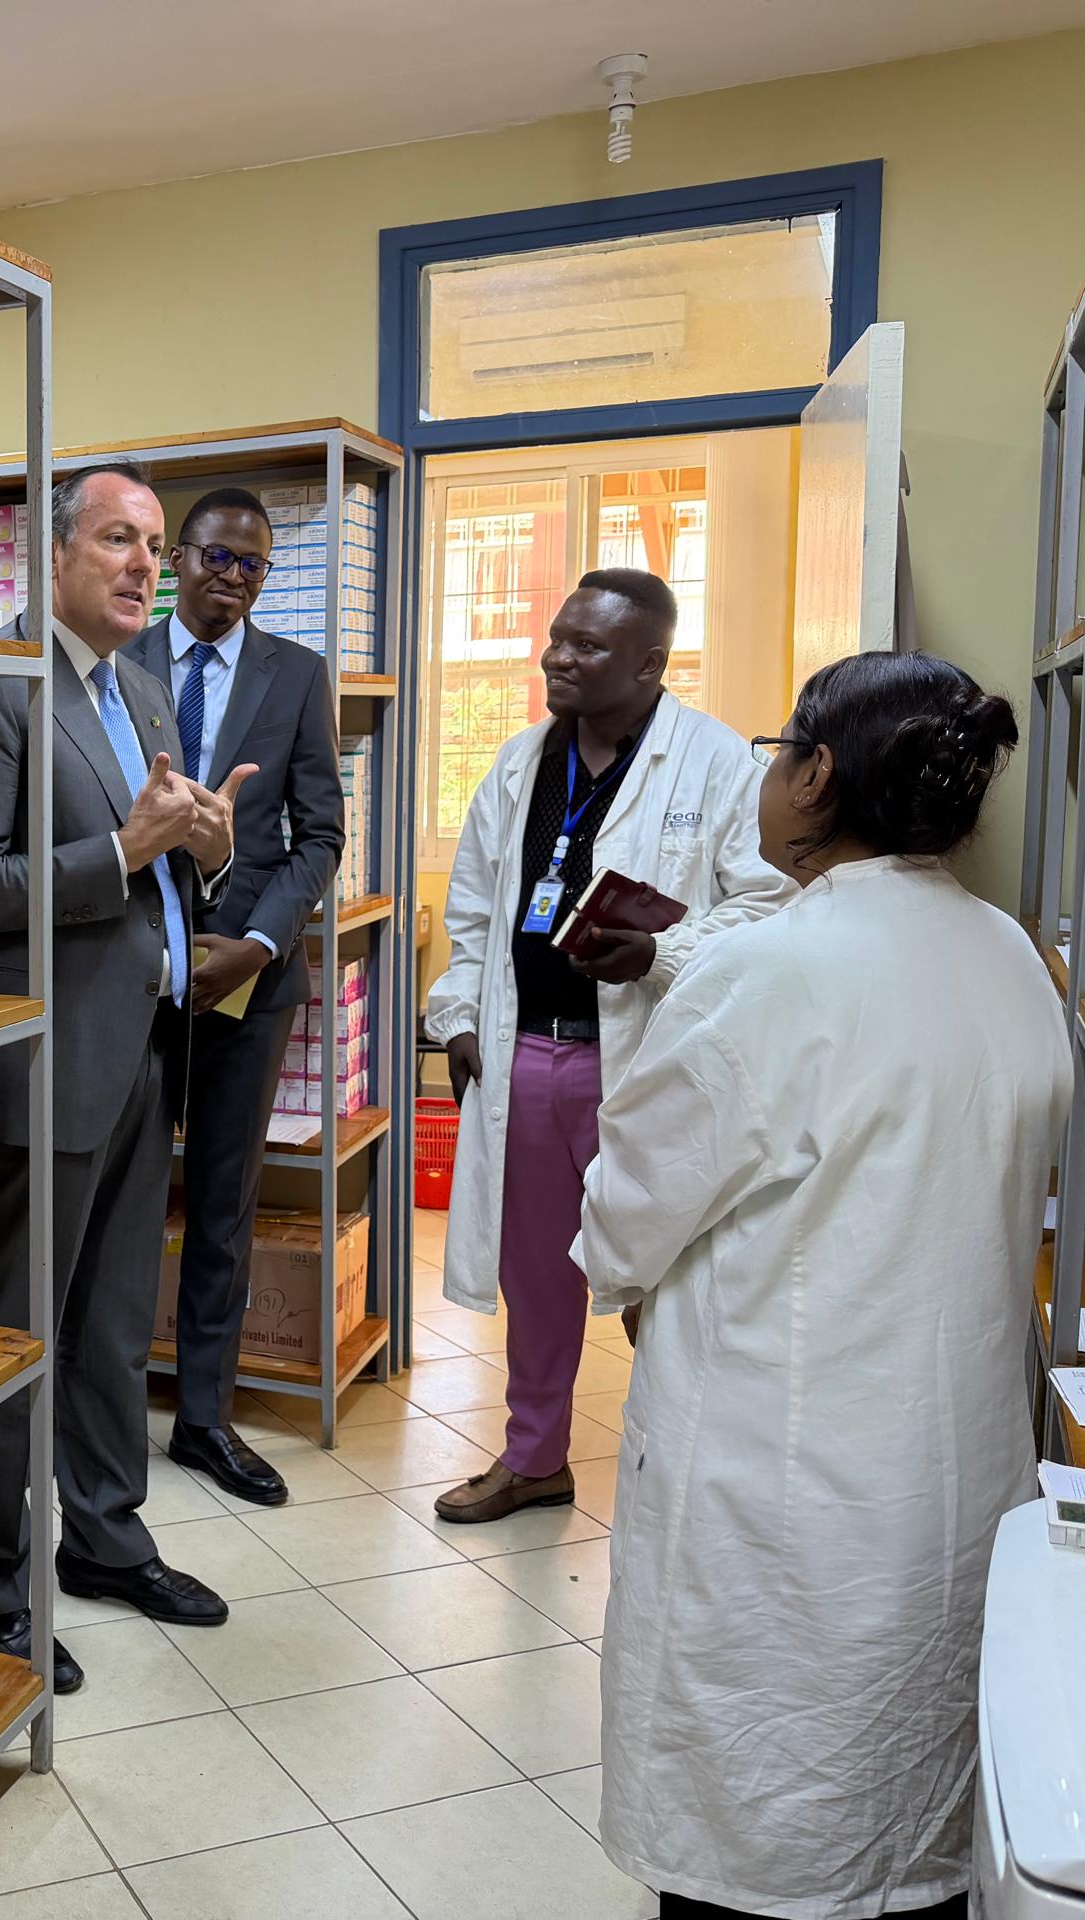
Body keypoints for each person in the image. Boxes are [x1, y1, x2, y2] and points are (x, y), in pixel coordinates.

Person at [576, 652, 1066, 1920]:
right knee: (908, 1797)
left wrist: (633, 1283)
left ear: (815, 776)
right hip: (948, 1470)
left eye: (777, 748)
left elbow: (626, 1219)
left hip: (783, 1487)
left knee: (767, 1819)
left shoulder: (768, 972)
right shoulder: (1010, 954)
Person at [0, 459, 253, 1694]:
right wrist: (123, 847)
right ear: (52, 555)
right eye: (117, 539)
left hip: (141, 1050)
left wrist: (205, 853)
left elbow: (157, 862)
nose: (143, 566)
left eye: (153, 546)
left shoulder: (140, 688)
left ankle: (105, 1540)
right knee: (10, 1340)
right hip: (37, 1066)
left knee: (110, 1331)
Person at [423, 569, 790, 1524]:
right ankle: (534, 1458)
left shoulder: (715, 764)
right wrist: (458, 1017)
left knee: (667, 1278)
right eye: (557, 638)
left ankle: (691, 1480)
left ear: (650, 664)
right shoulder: (520, 764)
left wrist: (662, 953)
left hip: (650, 1063)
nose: (558, 658)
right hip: (526, 1059)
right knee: (537, 1275)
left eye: (586, 647)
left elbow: (767, 903)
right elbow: (474, 915)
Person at [125, 487, 343, 1505]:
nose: (233, 577)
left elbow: (319, 835)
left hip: (246, 981)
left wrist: (254, 946)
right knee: (120, 1201)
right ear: (177, 558)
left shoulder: (296, 675)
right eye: (217, 556)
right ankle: (105, 1403)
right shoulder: (116, 661)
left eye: (253, 565)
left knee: (222, 1204)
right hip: (129, 972)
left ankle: (203, 1420)